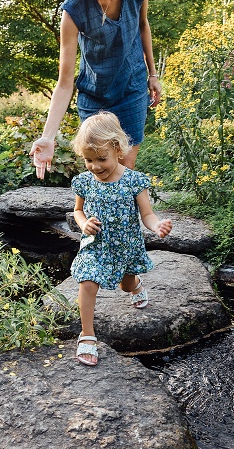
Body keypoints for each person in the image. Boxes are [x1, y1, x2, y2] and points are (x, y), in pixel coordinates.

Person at [30, 0, 162, 179]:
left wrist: (153, 74)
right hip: (94, 94)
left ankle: (124, 217)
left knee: (125, 167)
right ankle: (90, 218)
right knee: (99, 169)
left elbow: (143, 25)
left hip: (131, 86)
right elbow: (64, 82)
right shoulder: (74, 8)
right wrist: (48, 137)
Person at [69, 111, 172, 366]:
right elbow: (78, 210)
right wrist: (83, 225)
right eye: (88, 160)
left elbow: (146, 214)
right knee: (87, 281)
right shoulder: (85, 182)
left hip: (126, 246)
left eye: (101, 159)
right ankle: (87, 336)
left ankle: (135, 285)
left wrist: (157, 225)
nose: (95, 166)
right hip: (96, 245)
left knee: (125, 285)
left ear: (117, 148)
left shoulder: (134, 181)